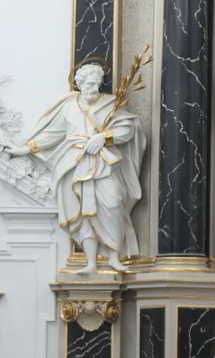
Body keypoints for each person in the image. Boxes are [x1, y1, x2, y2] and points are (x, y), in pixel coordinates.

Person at [7, 63, 146, 274]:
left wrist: (104, 137)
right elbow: (52, 134)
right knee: (84, 211)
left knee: (113, 203)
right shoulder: (69, 107)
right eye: (89, 83)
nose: (93, 87)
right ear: (79, 83)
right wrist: (24, 149)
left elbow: (127, 128)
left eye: (96, 83)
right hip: (75, 163)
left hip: (104, 164)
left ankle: (114, 256)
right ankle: (91, 262)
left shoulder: (110, 104)